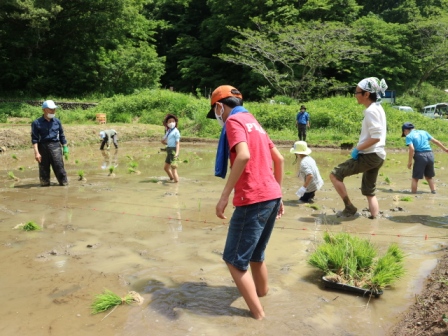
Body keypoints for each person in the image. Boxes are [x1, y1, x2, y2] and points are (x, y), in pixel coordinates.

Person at [207, 85, 284, 320]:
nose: (218, 118)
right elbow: (279, 159)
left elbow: (243, 155)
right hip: (271, 195)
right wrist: (278, 194)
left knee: (234, 260)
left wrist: (224, 196)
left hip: (253, 197)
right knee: (255, 256)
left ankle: (259, 317)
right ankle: (262, 294)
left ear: (220, 106)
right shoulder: (254, 121)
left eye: (215, 112)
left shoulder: (233, 122)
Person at [329, 77, 388, 219]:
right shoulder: (378, 108)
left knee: (335, 175)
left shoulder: (370, 111)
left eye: (357, 92)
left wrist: (358, 148)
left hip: (369, 155)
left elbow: (376, 137)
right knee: (369, 191)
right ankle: (374, 220)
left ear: (366, 94)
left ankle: (349, 208)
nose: (355, 95)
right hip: (379, 155)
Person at [401, 122, 448, 193]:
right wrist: (445, 149)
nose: (405, 135)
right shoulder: (424, 132)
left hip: (420, 156)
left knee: (415, 178)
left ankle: (413, 194)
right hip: (430, 155)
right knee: (429, 177)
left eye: (404, 133)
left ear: (405, 130)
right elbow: (435, 141)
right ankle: (433, 191)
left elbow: (412, 149)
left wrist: (409, 162)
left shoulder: (409, 136)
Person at [31, 100, 69, 186]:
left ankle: (64, 184)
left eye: (54, 109)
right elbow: (35, 139)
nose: (53, 111)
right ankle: (45, 185)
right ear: (44, 110)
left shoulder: (57, 122)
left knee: (59, 167)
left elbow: (62, 135)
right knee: (44, 169)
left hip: (55, 146)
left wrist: (65, 147)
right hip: (42, 147)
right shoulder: (36, 123)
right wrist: (37, 153)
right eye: (50, 109)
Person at [161, 113, 180, 182]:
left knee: (174, 169)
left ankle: (176, 185)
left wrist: (177, 153)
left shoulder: (176, 131)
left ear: (175, 123)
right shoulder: (168, 131)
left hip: (173, 151)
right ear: (167, 123)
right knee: (166, 168)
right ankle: (172, 179)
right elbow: (165, 141)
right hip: (169, 150)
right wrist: (165, 143)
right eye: (170, 121)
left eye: (173, 121)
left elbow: (177, 143)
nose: (172, 123)